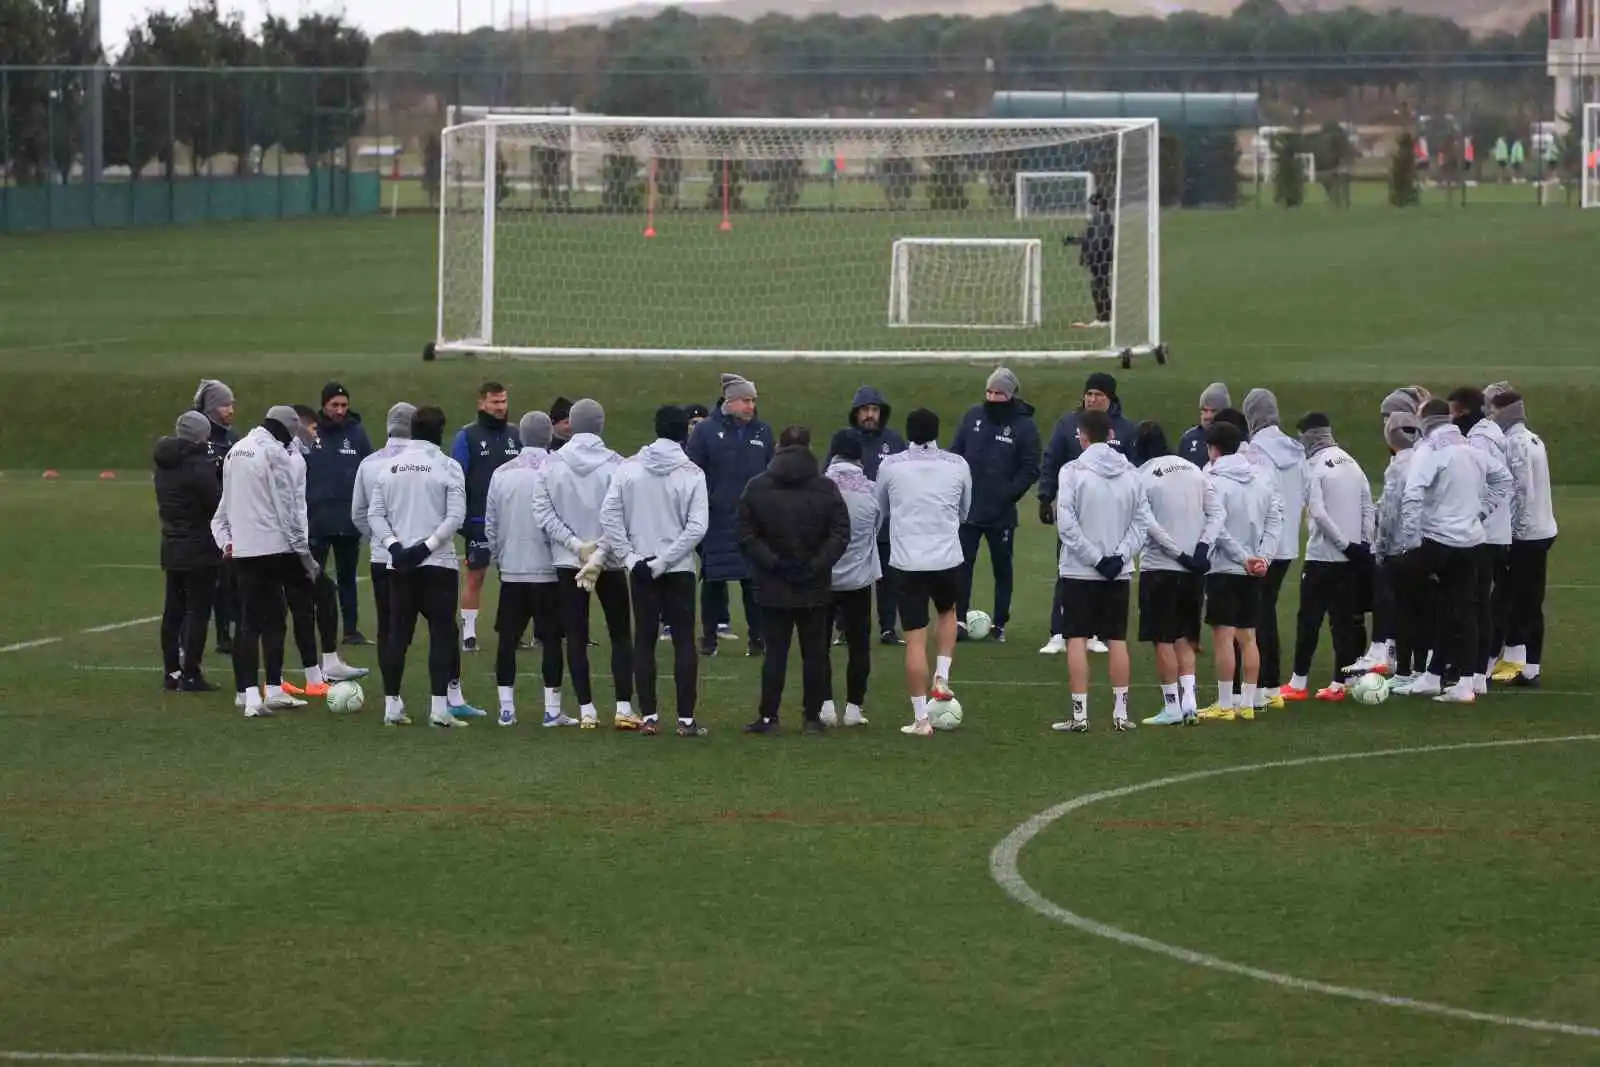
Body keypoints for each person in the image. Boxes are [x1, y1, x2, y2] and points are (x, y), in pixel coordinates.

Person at [601, 405, 710, 737]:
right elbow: (697, 527)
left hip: (641, 565)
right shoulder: (691, 472)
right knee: (683, 642)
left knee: (645, 639)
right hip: (677, 568)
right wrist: (667, 560)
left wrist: (632, 558)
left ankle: (649, 716)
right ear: (684, 432)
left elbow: (610, 516)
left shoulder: (629, 468)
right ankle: (686, 719)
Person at [737, 425, 850, 734]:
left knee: (775, 653)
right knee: (815, 654)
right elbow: (840, 534)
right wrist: (816, 565)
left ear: (778, 448)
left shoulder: (757, 487)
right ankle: (812, 717)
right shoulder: (826, 488)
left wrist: (774, 563)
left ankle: (768, 716)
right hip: (814, 585)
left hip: (773, 583)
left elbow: (746, 534)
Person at [368, 405, 476, 728]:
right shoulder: (448, 466)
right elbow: (455, 517)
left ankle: (391, 706)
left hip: (398, 564)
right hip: (438, 564)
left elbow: (375, 514)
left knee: (397, 635)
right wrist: (425, 547)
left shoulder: (389, 467)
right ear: (440, 432)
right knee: (442, 634)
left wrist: (395, 547)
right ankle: (439, 709)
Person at [1395, 399, 1508, 704]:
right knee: (1463, 608)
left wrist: (1411, 542)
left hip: (1437, 540)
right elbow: (1503, 479)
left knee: (1395, 584)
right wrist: (1481, 513)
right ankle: (1459, 681)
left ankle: (1402, 662)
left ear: (1424, 421)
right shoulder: (1472, 448)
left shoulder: (1429, 450)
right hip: (1470, 541)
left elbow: (1413, 494)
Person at [533, 399, 633, 729]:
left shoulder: (551, 464)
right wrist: (600, 553)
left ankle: (587, 710)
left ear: (571, 424)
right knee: (619, 633)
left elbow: (543, 514)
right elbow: (622, 516)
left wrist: (578, 547)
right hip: (612, 561)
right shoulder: (617, 465)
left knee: (574, 634)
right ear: (601, 424)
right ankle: (623, 706)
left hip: (568, 560)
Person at [210, 405, 315, 719]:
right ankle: (259, 696)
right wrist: (304, 556)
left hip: (241, 551)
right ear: (285, 428)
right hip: (271, 549)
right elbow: (288, 511)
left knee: (254, 621)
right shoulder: (275, 454)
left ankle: (257, 691)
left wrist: (226, 542)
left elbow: (222, 509)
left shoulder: (236, 451)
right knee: (264, 622)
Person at [1048, 409, 1148, 734]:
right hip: (1116, 573)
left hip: (1079, 570)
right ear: (1110, 434)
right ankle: (1120, 714)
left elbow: (1067, 524)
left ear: (1082, 435)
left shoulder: (1071, 472)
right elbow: (1141, 523)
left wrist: (1095, 558)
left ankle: (1080, 716)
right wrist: (1118, 558)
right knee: (1116, 639)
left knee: (1076, 639)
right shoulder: (1132, 473)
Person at [874, 408, 971, 738]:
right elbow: (964, 509)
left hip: (907, 561)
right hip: (946, 557)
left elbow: (881, 508)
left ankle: (920, 719)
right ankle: (941, 675)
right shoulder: (958, 464)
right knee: (948, 612)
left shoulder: (890, 465)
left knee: (915, 636)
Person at [1037, 372, 1139, 655]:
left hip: (1112, 514)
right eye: (1089, 393)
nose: (1092, 399)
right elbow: (1051, 460)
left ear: (1111, 398)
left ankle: (1096, 632)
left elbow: (1136, 472)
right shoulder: (1067, 423)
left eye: (1099, 395)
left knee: (1107, 573)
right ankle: (1059, 631)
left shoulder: (1126, 429)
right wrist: (1045, 496)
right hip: (1075, 510)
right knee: (1067, 569)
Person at [485, 411, 575, 729]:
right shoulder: (559, 470)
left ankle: (506, 709)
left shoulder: (502, 473)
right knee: (551, 640)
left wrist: (499, 559)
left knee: (507, 640)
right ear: (549, 435)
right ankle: (552, 710)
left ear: (520, 437)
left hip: (513, 569)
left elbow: (491, 524)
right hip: (549, 569)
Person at [1132, 422, 1222, 726]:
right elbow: (1217, 513)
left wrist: (1179, 554)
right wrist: (1201, 550)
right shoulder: (1194, 471)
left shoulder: (1142, 476)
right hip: (1194, 571)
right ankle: (1190, 704)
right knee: (1185, 636)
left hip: (1160, 568)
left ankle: (1171, 706)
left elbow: (1149, 525)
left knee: (1163, 639)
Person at [276, 403, 367, 700]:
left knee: (314, 599)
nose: (317, 436)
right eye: (313, 429)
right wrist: (301, 550)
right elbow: (287, 508)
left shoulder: (293, 457)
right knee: (294, 607)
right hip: (285, 547)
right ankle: (307, 676)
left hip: (289, 544)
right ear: (298, 428)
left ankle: (318, 670)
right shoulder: (289, 460)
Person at [1281, 414, 1374, 702]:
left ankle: (1298, 683)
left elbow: (1318, 513)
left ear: (1308, 436)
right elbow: (1367, 506)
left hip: (1322, 557)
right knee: (1343, 622)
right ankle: (1340, 684)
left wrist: (1344, 544)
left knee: (1308, 621)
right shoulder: (1351, 462)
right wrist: (1362, 545)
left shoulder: (1314, 467)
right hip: (1351, 560)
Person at [1197, 421, 1282, 721]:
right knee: (1248, 636)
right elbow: (1275, 521)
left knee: (1223, 637)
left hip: (1224, 567)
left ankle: (1224, 703)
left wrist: (1244, 557)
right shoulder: (1260, 481)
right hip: (1253, 569)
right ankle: (1247, 702)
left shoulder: (1213, 481)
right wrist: (1264, 558)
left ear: (1213, 449)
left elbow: (1215, 528)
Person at [950, 367, 1040, 644]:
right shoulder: (972, 417)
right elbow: (955, 455)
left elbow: (1030, 468)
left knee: (1003, 569)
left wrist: (1008, 494)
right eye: (989, 391)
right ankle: (959, 621)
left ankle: (999, 624)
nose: (992, 397)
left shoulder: (1025, 426)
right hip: (968, 510)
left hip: (1001, 513)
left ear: (1010, 395)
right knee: (961, 567)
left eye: (998, 393)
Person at [687, 373, 774, 658]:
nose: (751, 406)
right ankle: (709, 639)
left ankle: (757, 638)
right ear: (731, 401)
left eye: (753, 401)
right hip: (717, 519)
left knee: (753, 583)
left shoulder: (763, 432)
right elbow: (693, 474)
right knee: (712, 582)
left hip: (754, 520)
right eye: (746, 400)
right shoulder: (705, 432)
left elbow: (771, 472)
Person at [824, 386, 906, 644]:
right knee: (847, 577)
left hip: (885, 523)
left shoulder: (893, 441)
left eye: (874, 410)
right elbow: (828, 474)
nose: (870, 415)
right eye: (865, 410)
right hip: (851, 524)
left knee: (887, 580)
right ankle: (845, 628)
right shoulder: (846, 440)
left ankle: (888, 628)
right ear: (856, 413)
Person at [1240, 388, 1306, 709]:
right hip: (1289, 543)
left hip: (1264, 542)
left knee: (1256, 614)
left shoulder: (1254, 451)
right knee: (1267, 609)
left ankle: (1260, 684)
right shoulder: (1297, 449)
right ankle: (1271, 683)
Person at [1488, 390, 1557, 687]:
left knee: (1513, 600)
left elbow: (1519, 491)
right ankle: (1525, 664)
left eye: (1491, 410)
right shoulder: (1533, 438)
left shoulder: (1514, 443)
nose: (1489, 416)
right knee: (1526, 599)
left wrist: (1510, 534)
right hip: (1541, 529)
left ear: (1503, 411)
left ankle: (1519, 664)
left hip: (1525, 535)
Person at [1449, 386, 1513, 696]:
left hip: (1484, 535)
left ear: (1462, 411)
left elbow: (1493, 481)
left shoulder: (1480, 440)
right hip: (1492, 532)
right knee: (1479, 602)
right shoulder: (1488, 432)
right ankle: (1475, 671)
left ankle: (1473, 672)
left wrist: (1475, 514)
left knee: (1473, 602)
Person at [450, 381, 521, 652]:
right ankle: (468, 633)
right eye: (495, 402)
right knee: (475, 575)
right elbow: (456, 478)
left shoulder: (516, 435)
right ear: (481, 403)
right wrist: (461, 517)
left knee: (514, 577)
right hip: (478, 519)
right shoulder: (466, 436)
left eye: (504, 402)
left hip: (513, 520)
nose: (501, 407)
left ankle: (509, 630)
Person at [155, 411, 224, 692]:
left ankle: (171, 672)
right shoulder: (199, 467)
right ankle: (191, 673)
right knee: (197, 612)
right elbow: (216, 503)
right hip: (199, 548)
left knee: (173, 611)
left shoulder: (164, 462)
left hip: (172, 545)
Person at [820, 430, 882, 728]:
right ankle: (854, 708)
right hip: (858, 577)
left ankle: (826, 706)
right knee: (859, 645)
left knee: (819, 644)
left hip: (823, 575)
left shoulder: (819, 486)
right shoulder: (871, 489)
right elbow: (877, 528)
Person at [305, 381, 373, 645]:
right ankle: (311, 625)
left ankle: (351, 630)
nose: (340, 410)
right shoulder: (311, 431)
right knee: (313, 576)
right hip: (317, 519)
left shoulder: (357, 432)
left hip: (347, 519)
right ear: (324, 405)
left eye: (344, 405)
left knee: (347, 577)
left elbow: (368, 468)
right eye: (335, 405)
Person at [351, 403, 416, 664]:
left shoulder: (368, 463)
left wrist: (380, 538)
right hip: (419, 556)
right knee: (435, 624)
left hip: (381, 556)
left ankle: (391, 693)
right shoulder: (428, 463)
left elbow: (358, 513)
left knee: (386, 625)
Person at [1374, 412, 1431, 689]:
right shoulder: (1426, 457)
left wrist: (1380, 548)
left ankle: (1406, 670)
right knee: (1423, 608)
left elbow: (1389, 512)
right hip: (1429, 542)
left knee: (1404, 611)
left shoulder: (1397, 466)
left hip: (1402, 547)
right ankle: (1423, 668)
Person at [194, 379, 238, 655]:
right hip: (202, 522)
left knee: (227, 580)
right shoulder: (199, 441)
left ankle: (225, 633)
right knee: (203, 583)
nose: (231, 410)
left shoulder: (233, 439)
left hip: (227, 521)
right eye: (225, 405)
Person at [1063, 189, 1114, 328]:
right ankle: (1104, 318)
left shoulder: (1103, 218)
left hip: (1099, 257)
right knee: (1099, 286)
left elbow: (1097, 239)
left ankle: (1104, 318)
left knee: (1099, 287)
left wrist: (1089, 253)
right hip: (1099, 257)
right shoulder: (1101, 218)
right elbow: (1090, 237)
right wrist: (1074, 241)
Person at [1177, 382, 1229, 468]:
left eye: (1213, 411)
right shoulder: (1188, 439)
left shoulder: (1236, 440)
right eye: (1204, 410)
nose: (1208, 416)